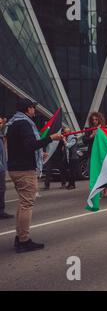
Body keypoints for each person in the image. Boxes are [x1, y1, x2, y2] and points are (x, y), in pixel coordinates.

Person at [5, 99, 63, 253]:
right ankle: (24, 240)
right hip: (24, 170)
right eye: (32, 107)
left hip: (15, 168)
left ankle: (20, 237)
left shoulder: (13, 123)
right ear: (27, 109)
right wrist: (51, 138)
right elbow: (30, 145)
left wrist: (39, 153)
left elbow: (24, 146)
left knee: (23, 203)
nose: (34, 110)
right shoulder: (24, 124)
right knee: (26, 204)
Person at [0, 131, 14, 219]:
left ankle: (1, 211)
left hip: (2, 168)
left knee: (2, 189)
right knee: (1, 189)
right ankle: (1, 212)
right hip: (0, 168)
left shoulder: (1, 137)